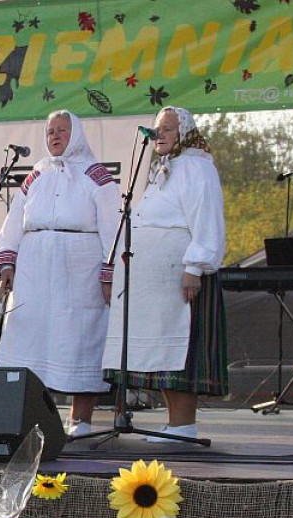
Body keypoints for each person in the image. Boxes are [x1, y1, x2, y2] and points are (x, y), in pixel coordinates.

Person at [0, 110, 119, 438]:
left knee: (79, 337)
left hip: (79, 265)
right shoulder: (35, 175)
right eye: (50, 131)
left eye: (62, 130)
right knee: (31, 338)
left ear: (76, 134)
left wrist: (109, 271)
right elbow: (14, 222)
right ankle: (36, 420)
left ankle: (81, 421)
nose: (55, 136)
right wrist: (7, 262)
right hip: (34, 266)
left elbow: (113, 227)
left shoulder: (97, 175)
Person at [102, 106, 228, 442]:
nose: (160, 136)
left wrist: (194, 268)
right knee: (162, 352)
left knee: (180, 351)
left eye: (168, 129)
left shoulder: (197, 168)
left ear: (185, 132)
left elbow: (206, 220)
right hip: (152, 283)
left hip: (183, 277)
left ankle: (183, 424)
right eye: (158, 129)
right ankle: (174, 424)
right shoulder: (165, 169)